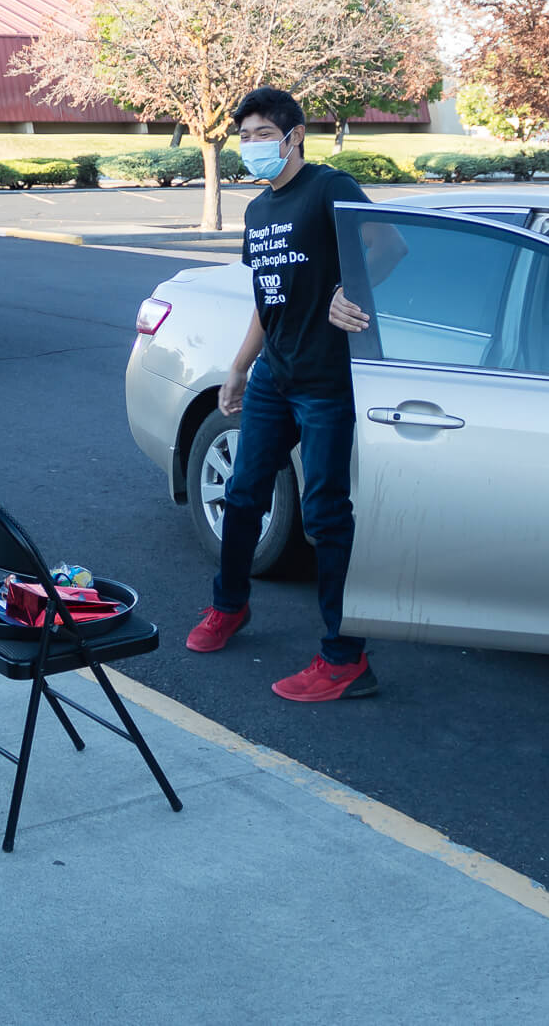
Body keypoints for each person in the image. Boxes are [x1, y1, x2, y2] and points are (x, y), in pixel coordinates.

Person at [186, 86, 392, 702]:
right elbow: (265, 299)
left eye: (261, 135)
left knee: (327, 514)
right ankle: (230, 606)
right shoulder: (257, 212)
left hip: (329, 379)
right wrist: (239, 367)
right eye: (244, 136)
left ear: (294, 136)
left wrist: (348, 290)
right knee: (244, 492)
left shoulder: (330, 188)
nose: (251, 146)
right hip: (275, 374)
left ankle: (344, 656)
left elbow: (389, 245)